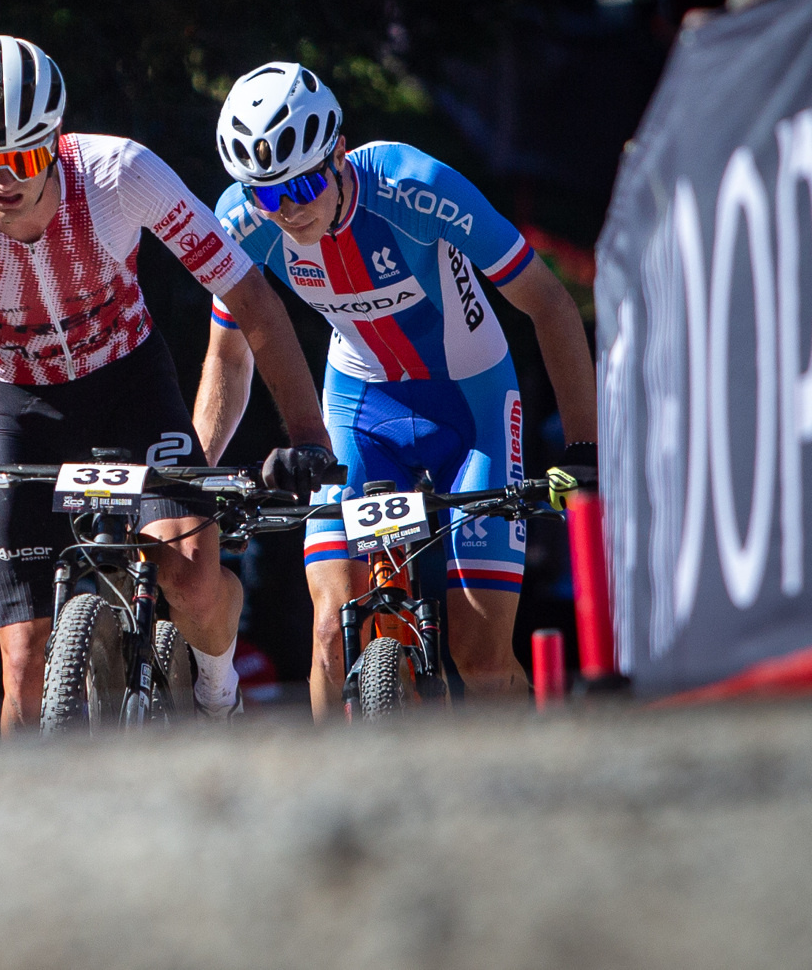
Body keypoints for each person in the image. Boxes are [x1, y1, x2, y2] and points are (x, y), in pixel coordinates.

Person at [0, 36, 333, 733]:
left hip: (130, 389)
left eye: (25, 159)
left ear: (55, 143)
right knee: (24, 666)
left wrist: (306, 435)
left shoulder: (121, 172)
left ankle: (216, 686)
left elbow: (250, 295)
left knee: (190, 579)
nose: (5, 181)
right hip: (18, 405)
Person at [193, 62, 598, 718]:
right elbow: (228, 357)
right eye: (268, 195)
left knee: (481, 654)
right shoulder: (240, 220)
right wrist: (198, 478)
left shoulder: (415, 187)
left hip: (470, 407)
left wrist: (585, 445)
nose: (287, 208)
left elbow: (548, 302)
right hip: (360, 406)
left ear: (339, 154)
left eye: (301, 183)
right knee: (329, 628)